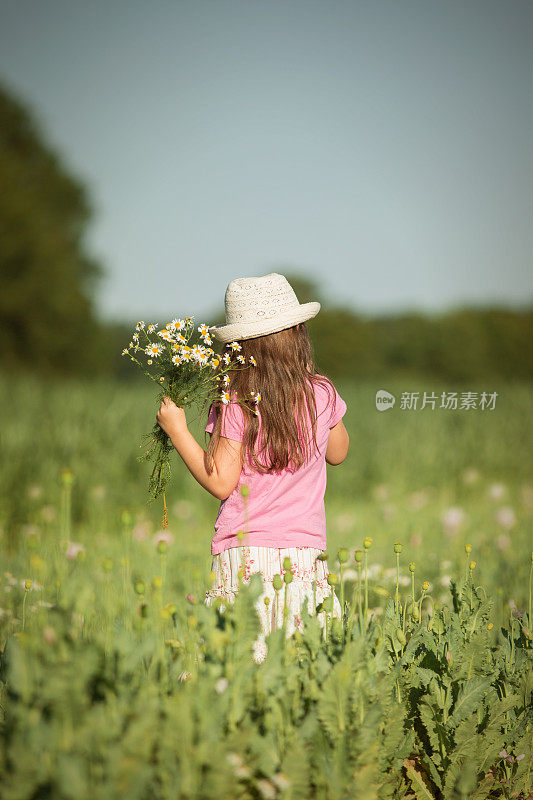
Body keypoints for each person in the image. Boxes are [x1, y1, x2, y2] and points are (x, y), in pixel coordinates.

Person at [156, 272, 349, 662]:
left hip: (245, 551)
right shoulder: (321, 392)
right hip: (305, 551)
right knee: (300, 661)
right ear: (298, 334)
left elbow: (221, 481)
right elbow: (339, 452)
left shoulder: (237, 398)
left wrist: (178, 431)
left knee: (240, 663)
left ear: (238, 347)